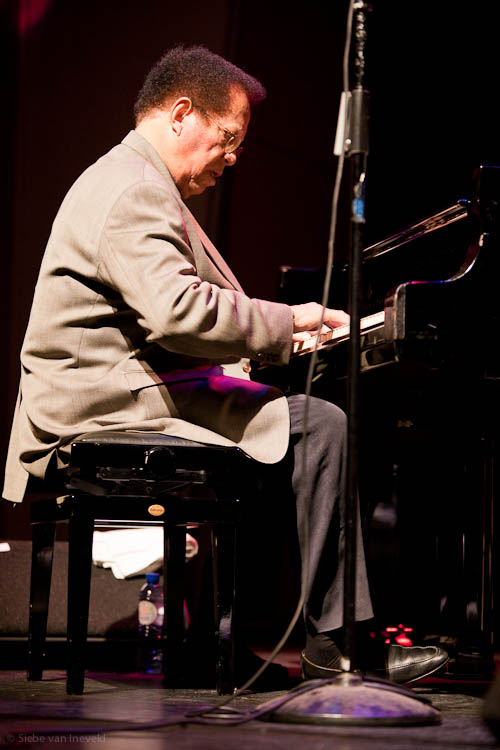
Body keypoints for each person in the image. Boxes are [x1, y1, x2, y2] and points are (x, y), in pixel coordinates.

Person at [2, 45, 447, 686]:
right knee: (317, 427)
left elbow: (166, 318)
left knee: (284, 428)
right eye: (228, 138)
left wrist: (272, 347)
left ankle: (227, 643)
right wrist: (292, 320)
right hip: (106, 403)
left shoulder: (134, 179)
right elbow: (179, 313)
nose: (234, 158)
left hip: (124, 388)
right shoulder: (133, 189)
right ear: (182, 114)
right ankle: (339, 644)